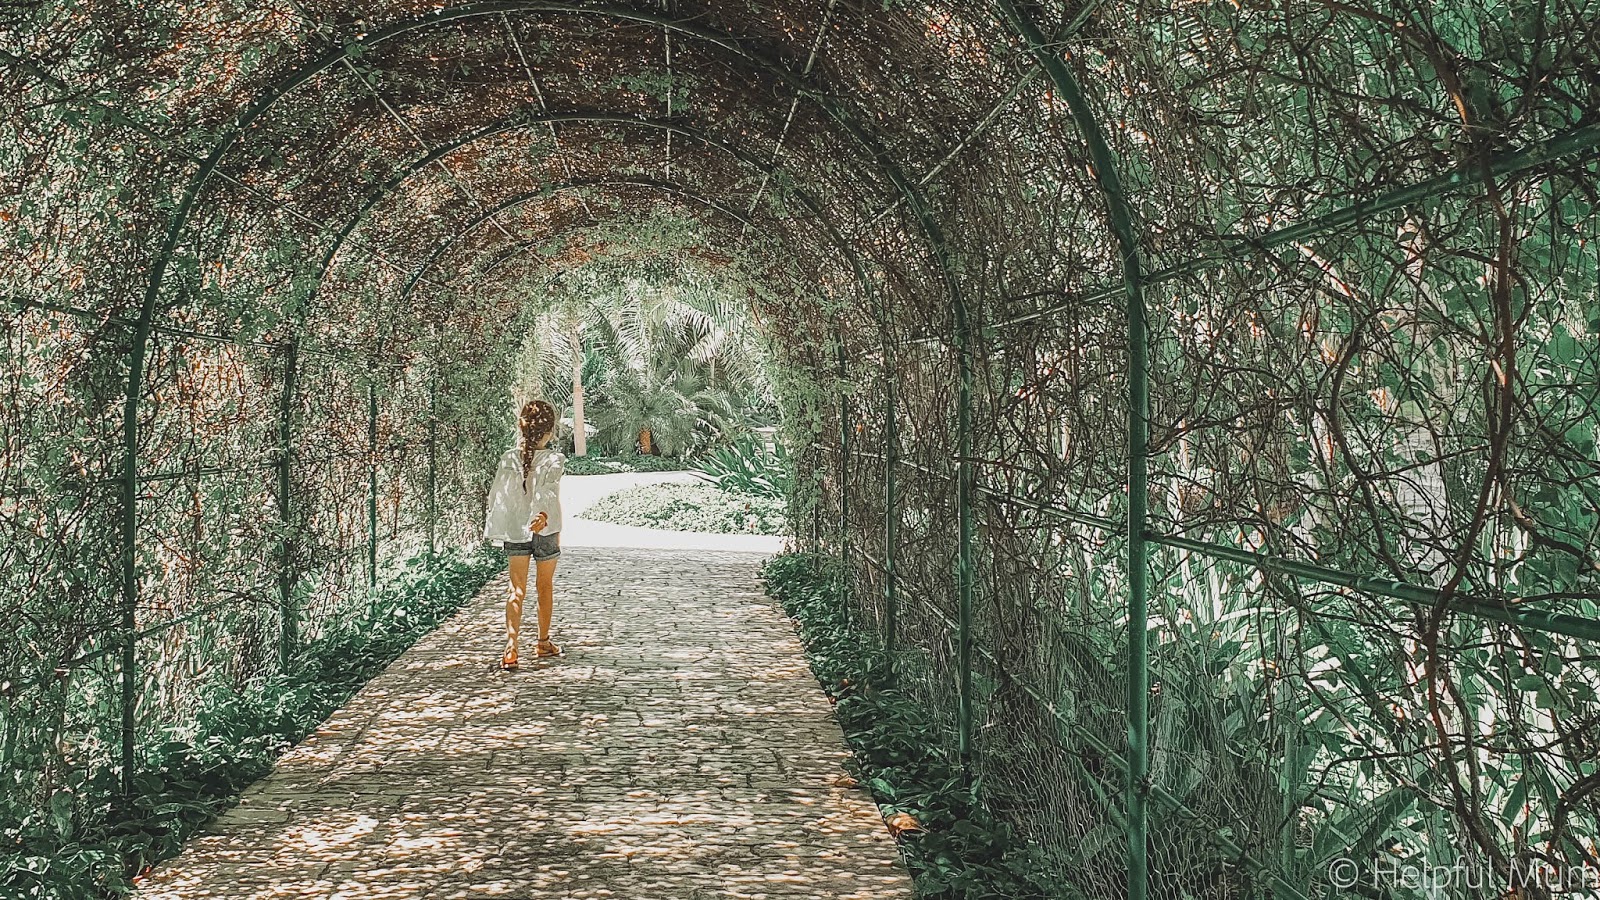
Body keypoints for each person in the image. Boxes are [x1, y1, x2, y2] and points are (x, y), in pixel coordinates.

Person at [483, 399, 566, 669]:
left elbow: (498, 495)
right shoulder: (554, 459)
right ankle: (543, 642)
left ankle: (511, 647)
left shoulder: (508, 459)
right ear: (549, 432)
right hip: (546, 528)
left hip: (516, 528)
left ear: (521, 427)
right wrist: (541, 515)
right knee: (544, 586)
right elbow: (547, 492)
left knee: (516, 588)